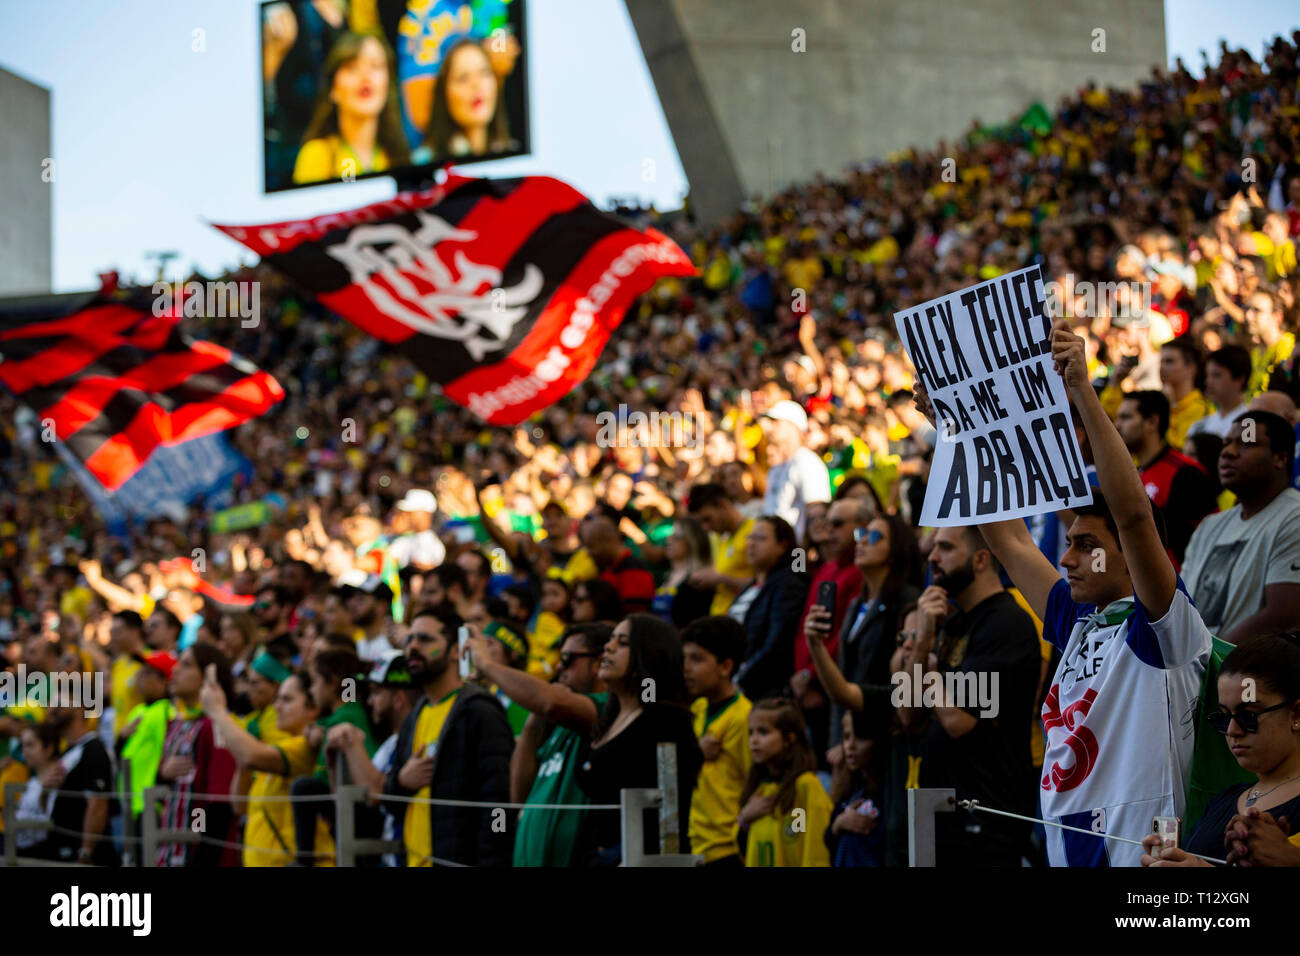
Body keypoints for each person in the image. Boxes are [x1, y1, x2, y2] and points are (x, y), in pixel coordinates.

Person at [968, 326, 1212, 867]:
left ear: (1130, 553)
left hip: (1140, 837)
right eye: (1069, 543)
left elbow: (1131, 516)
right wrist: (956, 430)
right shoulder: (1077, 617)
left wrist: (1082, 390)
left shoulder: (1161, 625)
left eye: (1086, 545)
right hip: (1063, 827)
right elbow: (1009, 541)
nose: (1066, 558)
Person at [897, 526, 1042, 866]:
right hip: (941, 812)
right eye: (933, 548)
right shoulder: (953, 623)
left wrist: (929, 673)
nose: (932, 557)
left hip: (985, 819)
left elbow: (957, 719)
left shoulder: (1005, 624)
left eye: (945, 548)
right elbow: (907, 712)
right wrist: (921, 642)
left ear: (981, 559)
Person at [1141, 635, 1300, 867]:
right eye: (1224, 718)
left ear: (1296, 714)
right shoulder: (1223, 801)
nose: (1233, 730)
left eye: (1249, 716)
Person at [466, 622, 611, 867]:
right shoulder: (559, 729)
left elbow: (551, 703)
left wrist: (487, 665)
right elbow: (518, 796)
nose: (558, 667)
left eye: (567, 659)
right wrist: (533, 722)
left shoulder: (608, 709)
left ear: (599, 664)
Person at [384, 605, 514, 867]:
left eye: (425, 639)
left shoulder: (480, 711)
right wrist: (401, 781)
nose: (413, 647)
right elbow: (390, 799)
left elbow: (499, 802)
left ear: (457, 649)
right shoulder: (414, 716)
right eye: (409, 639)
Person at [572, 615, 703, 866]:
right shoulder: (607, 720)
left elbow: (670, 810)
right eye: (610, 640)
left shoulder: (666, 721)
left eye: (622, 643)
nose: (608, 647)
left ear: (649, 654)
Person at [1182, 411, 1300, 642]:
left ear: (1280, 458)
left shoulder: (1294, 517)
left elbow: (1285, 615)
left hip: (1244, 673)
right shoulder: (1210, 526)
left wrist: (1212, 659)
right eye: (1226, 443)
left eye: (1245, 444)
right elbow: (1180, 604)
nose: (1228, 452)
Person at [200, 665, 332, 867]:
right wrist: (244, 754)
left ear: (312, 708)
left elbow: (251, 757)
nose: (277, 706)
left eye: (287, 700)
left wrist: (218, 711)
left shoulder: (305, 748)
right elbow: (240, 806)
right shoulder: (276, 750)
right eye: (277, 699)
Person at [289, 647, 376, 865]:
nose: (312, 689)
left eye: (315, 681)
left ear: (334, 681)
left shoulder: (346, 716)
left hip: (358, 813)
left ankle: (304, 860)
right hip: (352, 811)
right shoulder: (347, 712)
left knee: (303, 787)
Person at [155, 644, 238, 867]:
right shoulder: (176, 723)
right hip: (169, 850)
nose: (175, 670)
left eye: (187, 665)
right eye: (178, 662)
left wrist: (203, 861)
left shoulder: (219, 726)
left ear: (209, 677)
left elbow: (220, 804)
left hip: (201, 855)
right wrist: (161, 774)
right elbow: (164, 787)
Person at [1113, 390, 1218, 565]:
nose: (1117, 425)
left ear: (1152, 422)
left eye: (1126, 418)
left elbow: (1211, 539)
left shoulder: (1185, 473)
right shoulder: (1132, 474)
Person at [790, 497, 867, 730]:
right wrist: (801, 674)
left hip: (833, 684)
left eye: (837, 523)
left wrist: (812, 677)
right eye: (823, 522)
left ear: (862, 526)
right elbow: (805, 625)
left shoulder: (861, 572)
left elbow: (844, 632)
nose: (827, 529)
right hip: (806, 684)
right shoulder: (825, 568)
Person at [292, 31, 410, 184]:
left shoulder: (397, 156)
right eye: (352, 67)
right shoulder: (317, 155)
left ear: (388, 85)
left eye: (375, 66)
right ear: (333, 88)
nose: (365, 75)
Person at [681, 616, 752, 867]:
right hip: (697, 845)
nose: (686, 667)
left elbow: (754, 782)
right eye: (684, 658)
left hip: (728, 850)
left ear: (725, 667)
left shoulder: (744, 718)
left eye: (697, 659)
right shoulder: (698, 708)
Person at [738, 698, 832, 867]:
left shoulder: (806, 786)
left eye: (763, 732)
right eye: (751, 732)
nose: (754, 740)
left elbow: (815, 850)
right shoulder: (759, 788)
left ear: (788, 739)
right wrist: (744, 819)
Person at [731, 516, 810, 702]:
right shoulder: (751, 586)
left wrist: (740, 679)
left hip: (763, 690)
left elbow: (778, 643)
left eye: (760, 538)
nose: (751, 544)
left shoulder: (790, 583)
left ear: (783, 545)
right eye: (749, 537)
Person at [413, 37, 515, 162]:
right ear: (444, 92)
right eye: (463, 78)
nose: (477, 84)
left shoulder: (512, 152)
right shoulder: (424, 161)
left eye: (484, 72)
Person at [117, 651, 176, 828]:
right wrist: (120, 738)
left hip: (151, 803)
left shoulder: (166, 712)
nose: (140, 676)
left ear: (164, 681)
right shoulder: (138, 711)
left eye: (148, 673)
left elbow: (168, 753)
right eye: (141, 671)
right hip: (130, 801)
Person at [825, 708, 887, 867]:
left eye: (860, 737)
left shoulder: (888, 792)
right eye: (846, 737)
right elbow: (828, 839)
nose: (850, 745)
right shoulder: (851, 788)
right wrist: (839, 824)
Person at [761, 400, 832, 540]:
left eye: (776, 422)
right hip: (776, 553)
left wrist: (802, 556)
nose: (770, 428)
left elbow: (816, 510)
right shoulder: (776, 468)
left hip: (796, 553)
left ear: (794, 426)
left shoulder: (807, 462)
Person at [686, 482, 756, 616]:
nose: (705, 528)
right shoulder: (720, 538)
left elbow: (765, 584)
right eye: (700, 523)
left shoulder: (754, 533)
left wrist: (721, 579)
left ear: (723, 505)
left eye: (707, 519)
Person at [578, 507, 656, 616]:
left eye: (591, 546)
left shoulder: (633, 570)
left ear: (607, 541)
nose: (588, 553)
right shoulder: (608, 567)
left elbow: (634, 617)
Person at [650, 517, 716, 628]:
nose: (669, 540)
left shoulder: (699, 580)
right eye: (670, 535)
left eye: (677, 537)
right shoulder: (667, 576)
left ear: (692, 541)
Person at [13, 722, 62, 860]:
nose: (24, 751)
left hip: (45, 855)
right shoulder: (33, 781)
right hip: (22, 852)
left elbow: (53, 823)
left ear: (49, 748)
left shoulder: (58, 778)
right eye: (23, 745)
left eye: (30, 745)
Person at [1188, 345, 1252, 439]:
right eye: (1207, 376)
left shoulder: (1249, 426)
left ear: (1240, 379)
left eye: (1216, 375)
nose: (1208, 382)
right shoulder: (1199, 427)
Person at [1159, 338, 1212, 448]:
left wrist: (1171, 408)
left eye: (1169, 361)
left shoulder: (1204, 411)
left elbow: (1179, 451)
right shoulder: (1156, 402)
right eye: (1161, 361)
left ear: (1191, 369)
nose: (1162, 367)